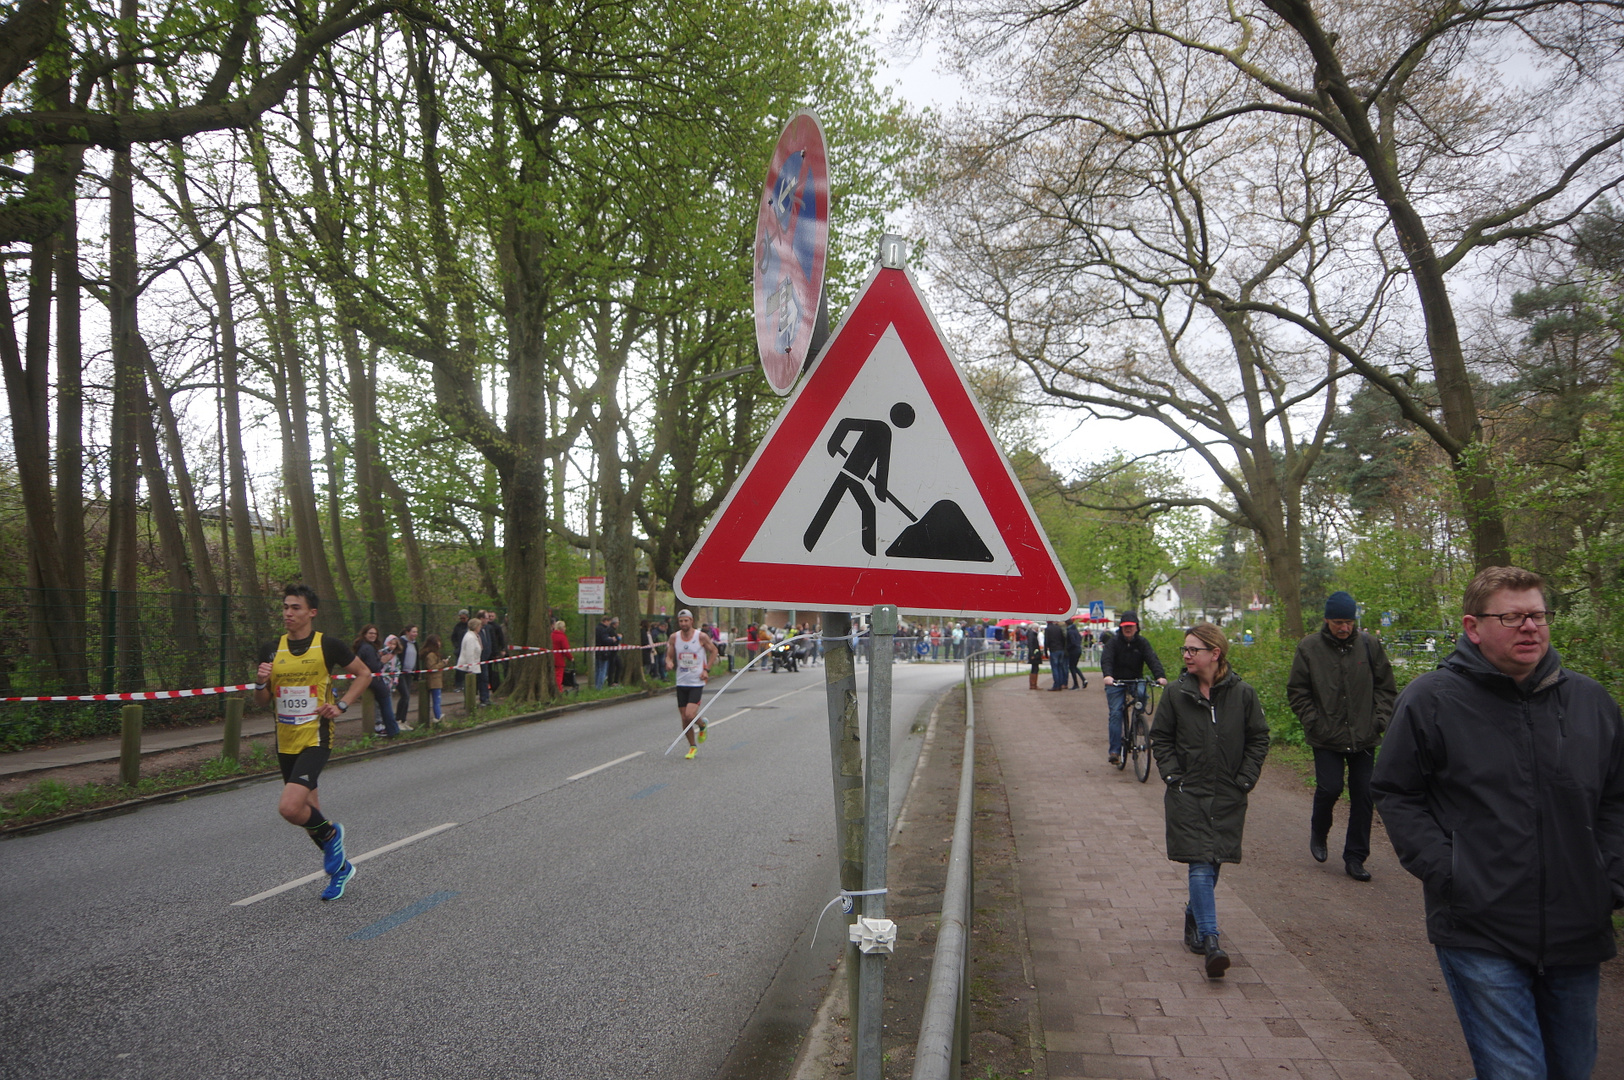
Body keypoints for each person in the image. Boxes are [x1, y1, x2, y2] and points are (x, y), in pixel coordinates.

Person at [1372, 566, 1624, 1080]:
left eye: (1537, 615)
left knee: (1572, 1068)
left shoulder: (1591, 702)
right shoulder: (1432, 700)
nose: (1530, 626)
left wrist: (1609, 878)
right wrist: (1453, 875)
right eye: (1512, 616)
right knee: (1515, 1071)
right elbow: (1397, 793)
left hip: (1577, 925)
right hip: (1480, 926)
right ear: (1473, 626)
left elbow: (1617, 799)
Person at [1150, 622, 1270, 978]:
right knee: (1200, 863)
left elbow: (1259, 739)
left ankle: (1193, 916)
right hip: (1188, 793)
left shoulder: (1243, 694)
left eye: (1193, 650)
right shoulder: (1175, 694)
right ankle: (1212, 940)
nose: (1186, 655)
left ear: (1214, 654)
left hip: (1228, 794)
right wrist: (1173, 777)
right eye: (1184, 650)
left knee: (1213, 861)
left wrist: (1244, 780)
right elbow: (1161, 738)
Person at [254, 584, 371, 901]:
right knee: (311, 814)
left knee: (290, 807)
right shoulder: (270, 649)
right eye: (285, 607)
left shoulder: (328, 646)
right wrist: (261, 681)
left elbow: (364, 674)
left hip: (316, 736)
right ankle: (340, 870)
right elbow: (261, 700)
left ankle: (334, 834)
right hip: (285, 739)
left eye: (295, 608)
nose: (288, 613)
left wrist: (342, 705)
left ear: (311, 613)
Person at [1287, 590, 1396, 882]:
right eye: (1338, 622)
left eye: (1349, 621)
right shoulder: (1309, 648)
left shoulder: (1370, 646)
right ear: (1327, 620)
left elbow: (1386, 688)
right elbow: (1297, 691)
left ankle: (1355, 857)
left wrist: (1379, 720)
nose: (1344, 627)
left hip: (1365, 735)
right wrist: (1313, 721)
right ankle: (1319, 831)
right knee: (1330, 788)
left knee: (1364, 795)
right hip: (1326, 735)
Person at [1101, 611, 1168, 765]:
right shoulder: (1113, 643)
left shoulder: (1142, 643)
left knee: (1142, 694)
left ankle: (1138, 720)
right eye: (1125, 627)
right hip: (1116, 681)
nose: (1128, 629)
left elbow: (1152, 659)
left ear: (1137, 627)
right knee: (1116, 713)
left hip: (1135, 679)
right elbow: (1107, 660)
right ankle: (1115, 751)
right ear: (1121, 628)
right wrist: (1108, 676)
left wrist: (1160, 676)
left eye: (1131, 626)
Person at [665, 610, 719, 760]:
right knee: (684, 718)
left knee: (689, 714)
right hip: (681, 680)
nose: (683, 624)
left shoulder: (700, 636)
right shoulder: (674, 637)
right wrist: (668, 662)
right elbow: (669, 655)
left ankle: (702, 725)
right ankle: (692, 746)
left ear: (691, 621)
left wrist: (706, 669)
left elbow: (714, 650)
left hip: (696, 681)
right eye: (681, 621)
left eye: (686, 621)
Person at [352, 624, 399, 738]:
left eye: (375, 633)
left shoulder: (363, 646)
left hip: (367, 679)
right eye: (370, 633)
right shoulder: (367, 648)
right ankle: (392, 730)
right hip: (374, 680)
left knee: (380, 705)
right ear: (364, 634)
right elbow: (374, 666)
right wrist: (382, 661)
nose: (373, 635)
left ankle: (385, 728)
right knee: (386, 702)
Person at [458, 615, 489, 705]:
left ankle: (473, 702)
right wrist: (470, 668)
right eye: (479, 626)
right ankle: (469, 703)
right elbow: (470, 654)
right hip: (470, 667)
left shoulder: (474, 636)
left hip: (475, 664)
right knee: (470, 686)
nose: (480, 628)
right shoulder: (470, 638)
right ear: (475, 627)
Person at [396, 625, 419, 729]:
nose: (415, 634)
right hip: (401, 673)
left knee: (407, 697)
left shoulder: (414, 644)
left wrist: (416, 673)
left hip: (409, 673)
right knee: (404, 695)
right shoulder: (401, 642)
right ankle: (398, 719)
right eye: (413, 632)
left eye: (416, 632)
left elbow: (416, 659)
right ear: (407, 632)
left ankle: (403, 720)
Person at [421, 633, 444, 723]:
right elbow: (432, 667)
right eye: (438, 642)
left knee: (437, 700)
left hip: (437, 680)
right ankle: (438, 717)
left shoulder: (435, 654)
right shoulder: (431, 655)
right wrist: (443, 664)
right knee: (436, 701)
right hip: (434, 681)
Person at [450, 608, 470, 692]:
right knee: (459, 668)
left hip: (468, 650)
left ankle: (468, 684)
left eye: (464, 618)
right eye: (461, 618)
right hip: (459, 650)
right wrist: (457, 646)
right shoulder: (458, 626)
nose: (462, 620)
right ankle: (458, 684)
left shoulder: (470, 626)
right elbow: (453, 637)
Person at [593, 615, 616, 688]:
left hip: (596, 651)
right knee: (602, 670)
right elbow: (605, 640)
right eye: (609, 622)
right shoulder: (604, 629)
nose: (609, 624)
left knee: (597, 669)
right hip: (603, 652)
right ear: (605, 621)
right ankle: (599, 687)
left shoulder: (596, 628)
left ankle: (596, 685)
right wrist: (612, 639)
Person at [550, 619, 572, 691]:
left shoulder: (551, 635)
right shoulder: (562, 637)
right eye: (564, 627)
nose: (565, 628)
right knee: (558, 678)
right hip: (559, 660)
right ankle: (559, 691)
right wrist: (571, 658)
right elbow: (566, 650)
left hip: (551, 659)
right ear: (561, 628)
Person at [1066, 620, 1086, 689]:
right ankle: (1083, 679)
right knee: (1074, 666)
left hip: (1073, 651)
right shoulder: (1076, 630)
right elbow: (1080, 638)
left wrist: (1067, 648)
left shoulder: (1069, 631)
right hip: (1078, 649)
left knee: (1072, 667)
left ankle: (1076, 684)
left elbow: (1072, 642)